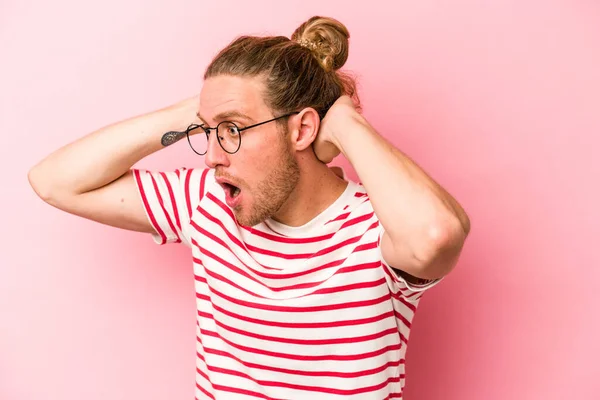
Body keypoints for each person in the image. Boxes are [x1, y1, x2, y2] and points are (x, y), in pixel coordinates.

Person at [28, 15, 470, 400]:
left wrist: (345, 122)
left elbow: (436, 237)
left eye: (234, 129)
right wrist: (203, 113)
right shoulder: (207, 202)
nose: (213, 155)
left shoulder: (380, 228)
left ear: (302, 131)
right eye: (210, 131)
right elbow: (55, 182)